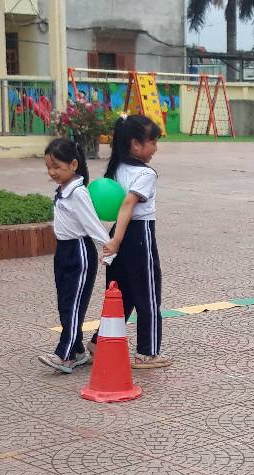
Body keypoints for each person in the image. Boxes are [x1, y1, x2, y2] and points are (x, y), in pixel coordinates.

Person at [94, 114, 169, 369]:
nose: (155, 148)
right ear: (136, 145)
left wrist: (114, 238)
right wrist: (115, 241)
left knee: (119, 293)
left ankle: (99, 342)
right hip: (138, 236)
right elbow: (128, 204)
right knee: (148, 293)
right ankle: (147, 352)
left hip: (119, 231)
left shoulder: (116, 169)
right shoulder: (146, 174)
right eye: (153, 142)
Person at [40, 137, 110, 373]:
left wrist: (108, 248)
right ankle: (78, 350)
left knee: (73, 306)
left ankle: (65, 355)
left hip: (80, 253)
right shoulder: (63, 190)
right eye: (48, 167)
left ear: (73, 165)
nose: (52, 172)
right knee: (65, 304)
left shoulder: (78, 193)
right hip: (63, 251)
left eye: (56, 167)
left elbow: (92, 224)